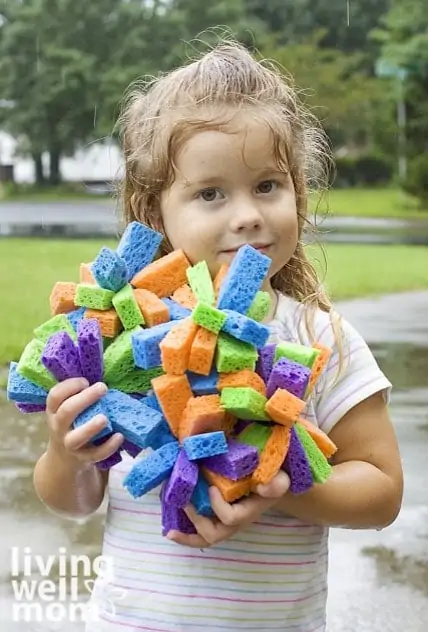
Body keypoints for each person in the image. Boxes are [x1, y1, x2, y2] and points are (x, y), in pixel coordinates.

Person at [33, 41, 404, 632]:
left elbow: (381, 492)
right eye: (210, 194)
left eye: (267, 186)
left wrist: (277, 484)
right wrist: (65, 452)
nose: (248, 215)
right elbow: (71, 500)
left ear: (299, 194)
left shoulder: (319, 335)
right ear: (155, 213)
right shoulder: (120, 343)